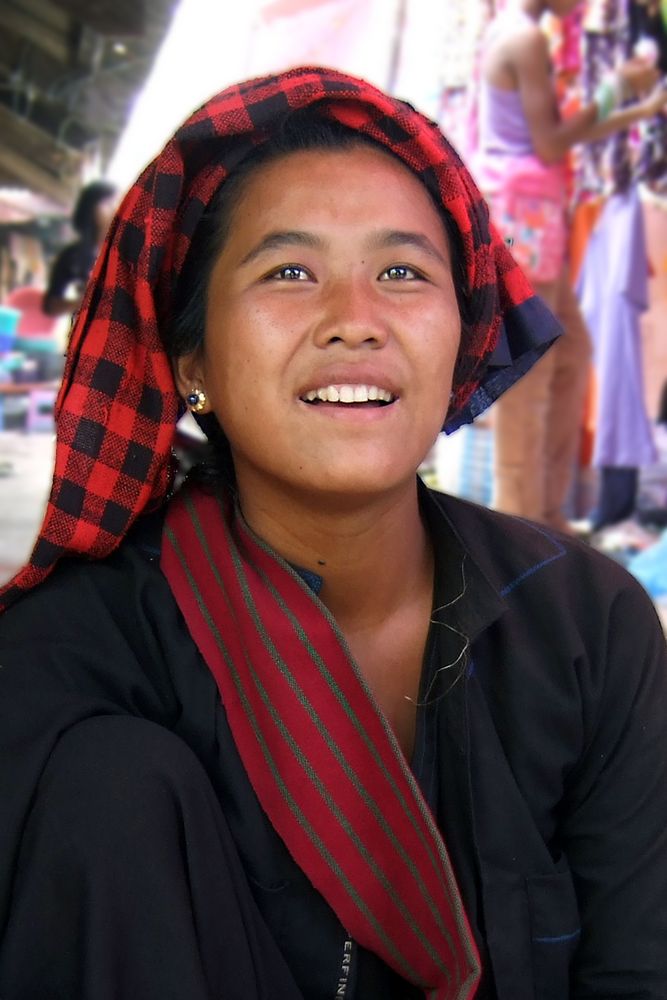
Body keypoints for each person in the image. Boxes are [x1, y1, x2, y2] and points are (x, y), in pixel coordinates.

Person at [0, 66, 665, 1000]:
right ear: (193, 361)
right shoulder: (69, 661)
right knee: (108, 789)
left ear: (460, 335)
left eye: (401, 272)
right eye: (288, 272)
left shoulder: (586, 627)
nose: (356, 322)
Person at [474, 0, 667, 530]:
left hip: (534, 217)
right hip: (525, 218)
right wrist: (618, 93)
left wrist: (634, 110)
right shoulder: (525, 39)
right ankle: (520, 529)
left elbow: (552, 137)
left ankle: (545, 517)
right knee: (532, 376)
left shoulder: (521, 34)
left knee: (567, 355)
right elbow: (551, 141)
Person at [42, 179, 117, 318]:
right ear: (90, 210)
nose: (115, 208)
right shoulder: (72, 256)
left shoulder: (130, 251)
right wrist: (81, 303)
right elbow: (49, 305)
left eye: (117, 202)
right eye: (107, 203)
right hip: (88, 333)